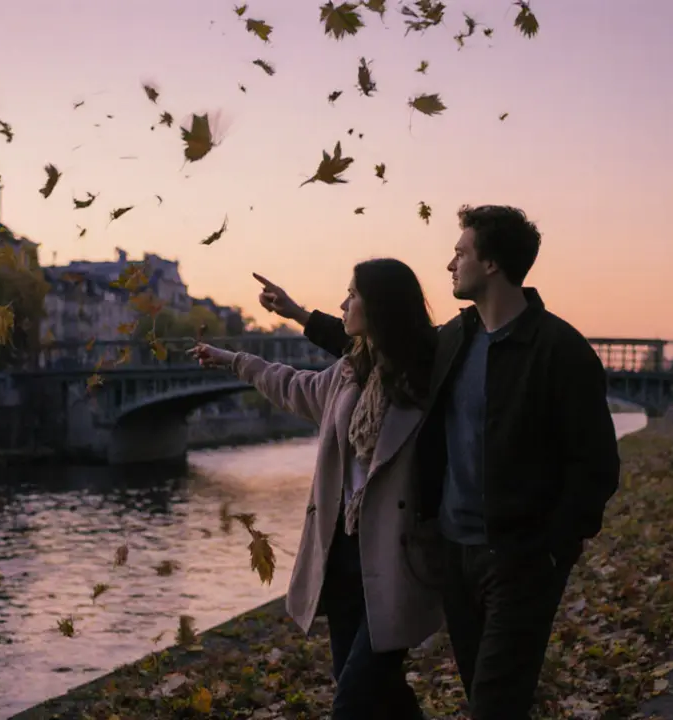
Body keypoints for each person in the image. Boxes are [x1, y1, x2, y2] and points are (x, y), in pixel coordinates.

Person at [253, 204, 621, 719]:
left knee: (495, 701)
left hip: (521, 558)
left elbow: (597, 466)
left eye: (460, 252)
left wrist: (553, 549)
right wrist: (298, 314)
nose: (450, 264)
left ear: (490, 264)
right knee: (480, 691)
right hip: (455, 553)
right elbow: (379, 342)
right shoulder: (452, 341)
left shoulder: (559, 350)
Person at [191, 259, 442, 719]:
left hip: (397, 558)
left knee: (352, 698)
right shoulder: (348, 374)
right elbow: (291, 385)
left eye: (353, 294)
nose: (344, 302)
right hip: (342, 554)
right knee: (373, 686)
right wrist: (234, 360)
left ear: (381, 307)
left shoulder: (432, 380)